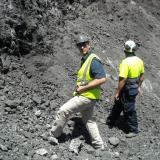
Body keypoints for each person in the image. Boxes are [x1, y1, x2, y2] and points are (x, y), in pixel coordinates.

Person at [50, 35, 107, 149]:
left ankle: (54, 135)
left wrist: (83, 88)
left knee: (64, 110)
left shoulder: (93, 60)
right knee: (89, 121)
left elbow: (102, 78)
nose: (82, 47)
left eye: (84, 44)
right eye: (79, 45)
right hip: (90, 97)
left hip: (86, 96)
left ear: (89, 44)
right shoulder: (85, 59)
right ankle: (99, 145)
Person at [107, 40, 144, 138]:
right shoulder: (139, 61)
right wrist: (139, 87)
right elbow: (142, 76)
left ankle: (134, 130)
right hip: (134, 88)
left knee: (129, 109)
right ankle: (111, 121)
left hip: (127, 89)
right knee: (118, 104)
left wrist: (117, 92)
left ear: (125, 50)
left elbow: (122, 80)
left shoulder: (125, 62)